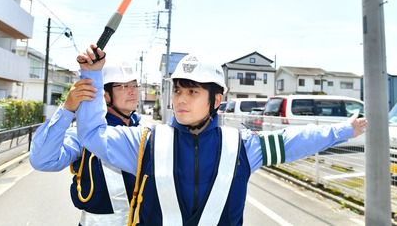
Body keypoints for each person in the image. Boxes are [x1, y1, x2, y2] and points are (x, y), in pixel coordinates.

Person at [75, 45, 368, 226]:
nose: (181, 100)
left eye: (192, 91)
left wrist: (345, 130)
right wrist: (91, 76)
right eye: (178, 90)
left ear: (216, 100)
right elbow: (92, 134)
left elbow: (293, 141)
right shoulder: (146, 142)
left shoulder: (242, 146)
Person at [30, 64, 141, 226]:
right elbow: (42, 160)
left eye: (134, 85)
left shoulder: (142, 130)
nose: (132, 91)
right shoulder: (85, 134)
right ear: (105, 95)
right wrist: (67, 109)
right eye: (123, 86)